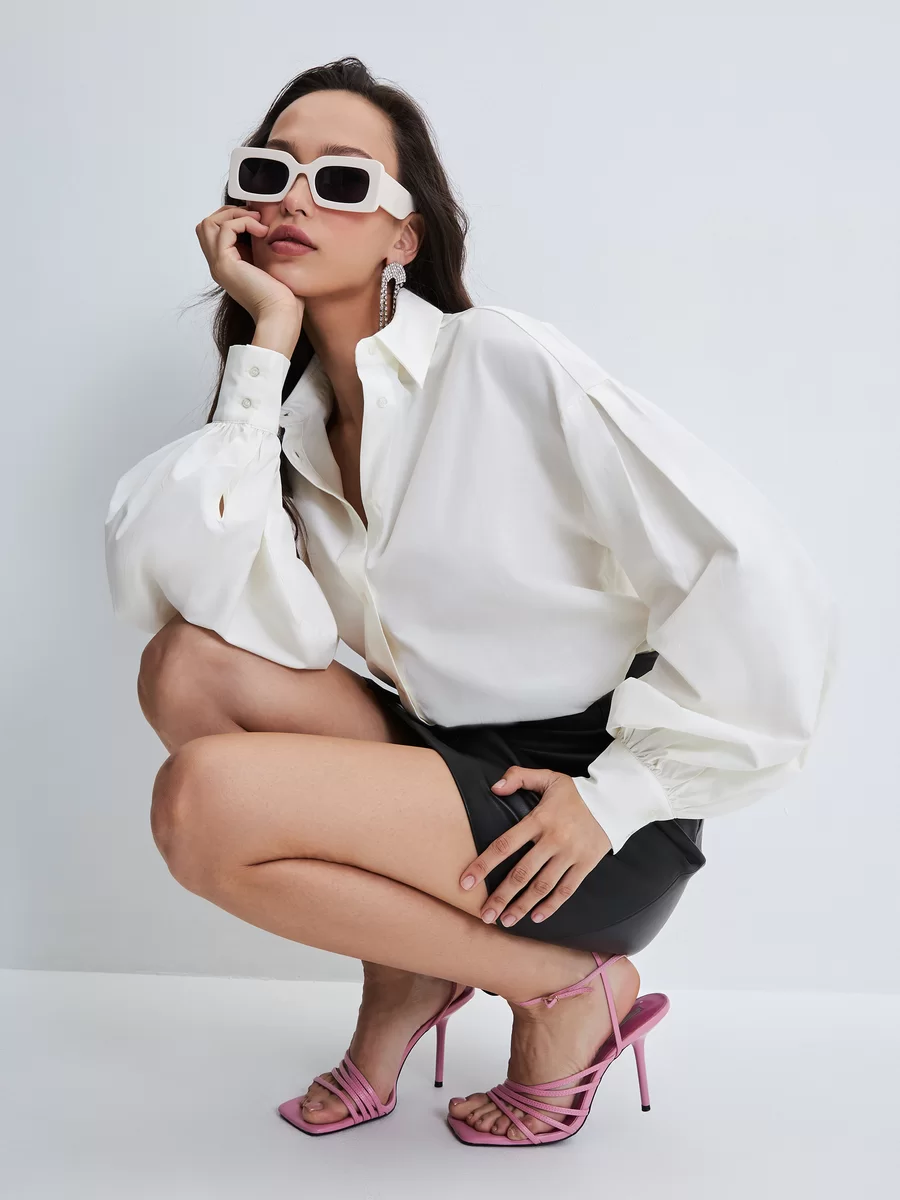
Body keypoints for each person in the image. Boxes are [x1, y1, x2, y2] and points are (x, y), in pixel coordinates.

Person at [104, 56, 839, 1146]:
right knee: (185, 666)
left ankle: (565, 989)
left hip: (574, 817)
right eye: (269, 173)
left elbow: (748, 561)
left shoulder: (495, 360)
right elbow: (196, 592)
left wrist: (626, 792)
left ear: (404, 237)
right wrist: (264, 346)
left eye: (341, 180)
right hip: (447, 762)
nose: (295, 200)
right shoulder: (293, 424)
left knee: (200, 804)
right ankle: (414, 976)